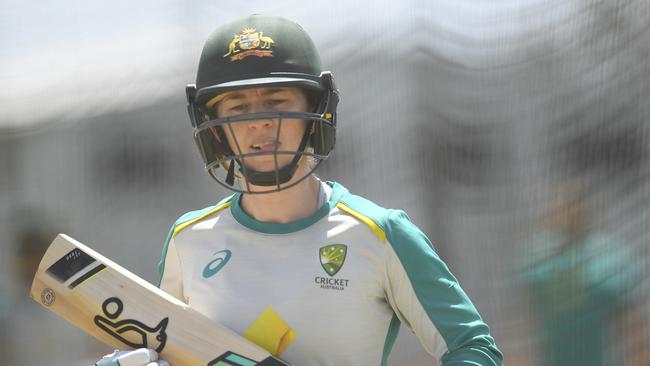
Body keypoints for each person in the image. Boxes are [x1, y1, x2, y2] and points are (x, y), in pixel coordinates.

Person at [95, 14, 502, 366]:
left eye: (277, 101)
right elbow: (172, 351)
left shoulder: (381, 233)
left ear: (316, 112)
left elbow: (473, 347)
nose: (260, 123)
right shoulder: (188, 241)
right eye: (237, 109)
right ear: (213, 128)